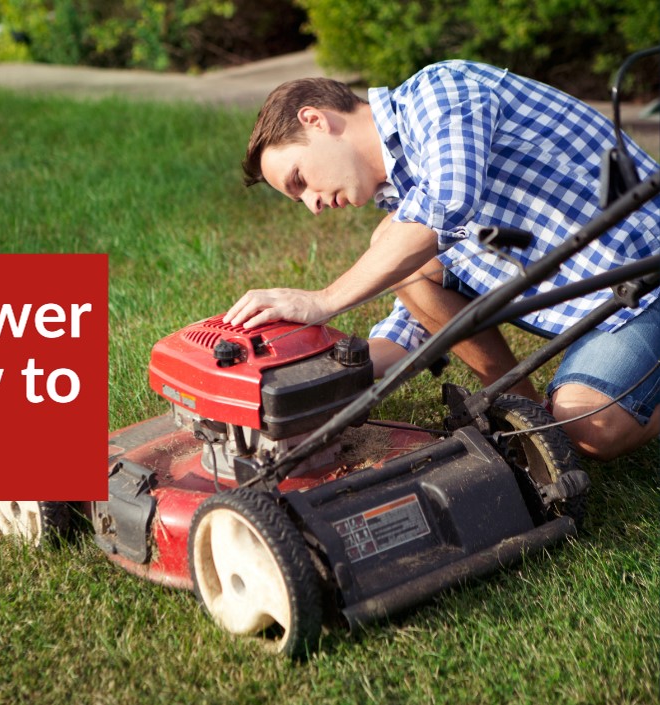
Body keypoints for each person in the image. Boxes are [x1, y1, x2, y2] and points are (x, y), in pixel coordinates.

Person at [226, 60, 660, 461]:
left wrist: (323, 301)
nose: (312, 206)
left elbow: (446, 208)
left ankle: (564, 421)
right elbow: (417, 320)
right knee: (399, 252)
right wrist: (315, 371)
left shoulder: (438, 92)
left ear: (315, 120)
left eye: (299, 180)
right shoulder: (403, 192)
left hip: (645, 277)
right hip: (588, 297)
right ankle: (527, 420)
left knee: (591, 425)